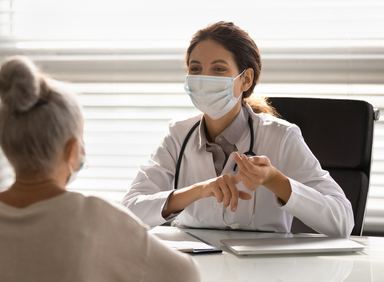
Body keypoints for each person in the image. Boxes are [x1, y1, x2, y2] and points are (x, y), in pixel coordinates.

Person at [0, 56, 201, 282]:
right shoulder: (96, 216)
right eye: (81, 139)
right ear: (70, 150)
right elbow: (186, 275)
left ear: (5, 143)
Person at [121, 21, 354, 237]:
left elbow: (342, 221)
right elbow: (128, 213)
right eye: (195, 69)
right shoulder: (177, 134)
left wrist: (274, 180)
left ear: (246, 80)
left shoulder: (281, 137)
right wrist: (198, 190)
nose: (204, 79)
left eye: (219, 69)